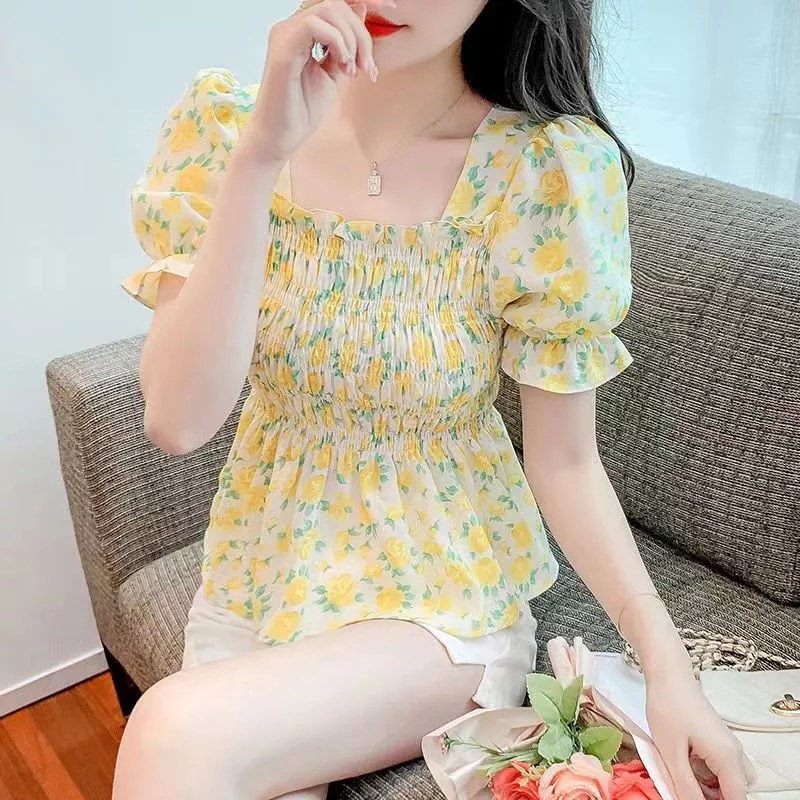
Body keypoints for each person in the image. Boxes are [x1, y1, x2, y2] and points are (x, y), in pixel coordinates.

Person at [112, 1, 753, 799]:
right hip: (257, 577)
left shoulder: (542, 172)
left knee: (173, 730)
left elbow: (565, 463)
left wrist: (667, 666)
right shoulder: (224, 130)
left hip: (440, 598)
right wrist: (260, 159)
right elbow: (177, 421)